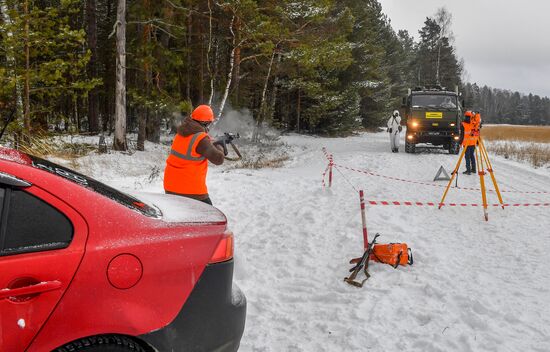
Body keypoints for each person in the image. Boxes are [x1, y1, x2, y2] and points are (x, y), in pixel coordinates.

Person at [163, 105, 226, 205]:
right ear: (206, 123)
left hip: (170, 187)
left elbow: (194, 148)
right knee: (211, 215)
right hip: (191, 190)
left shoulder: (181, 133)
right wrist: (220, 145)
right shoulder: (201, 139)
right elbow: (218, 160)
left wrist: (209, 141)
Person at [459, 111, 477, 175]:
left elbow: (462, 135)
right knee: (472, 156)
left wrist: (460, 143)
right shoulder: (474, 124)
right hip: (473, 143)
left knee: (467, 157)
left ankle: (468, 170)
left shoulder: (463, 124)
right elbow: (476, 133)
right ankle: (474, 169)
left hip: (466, 143)